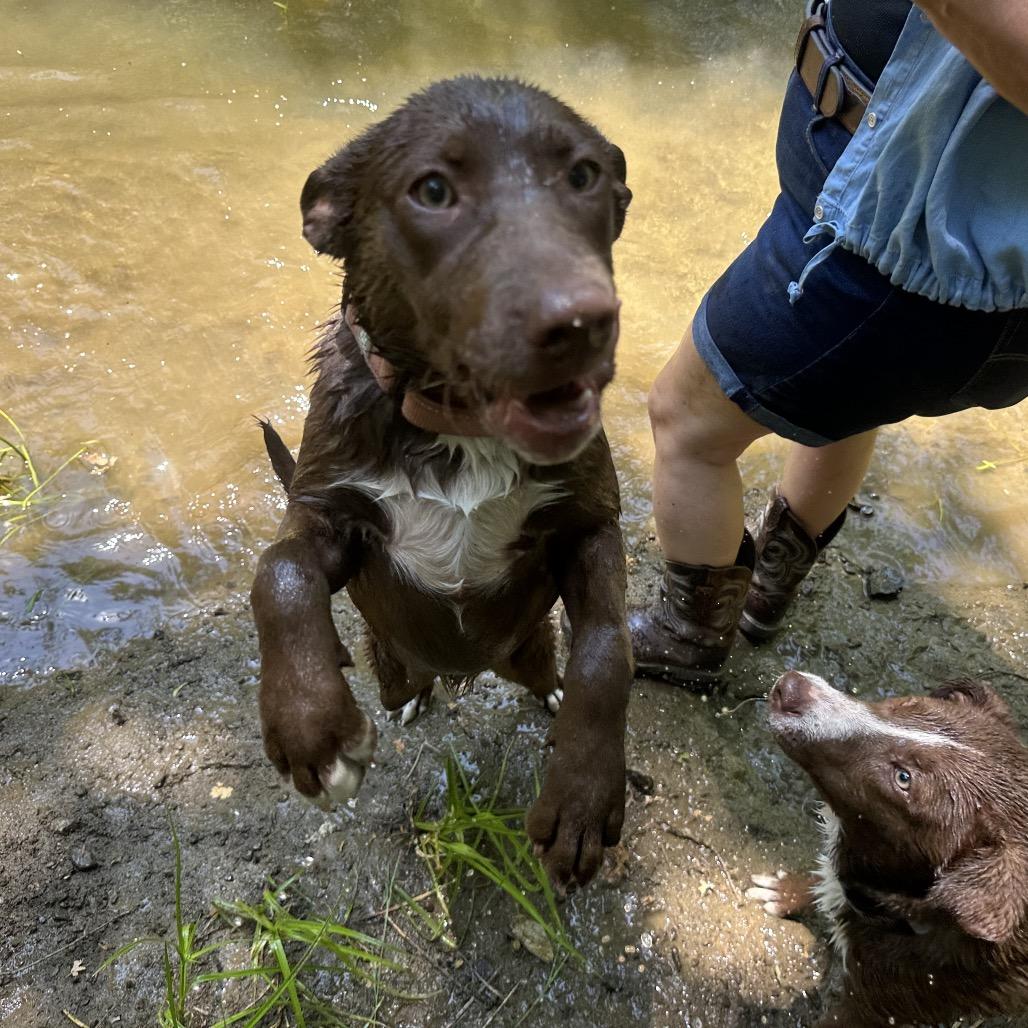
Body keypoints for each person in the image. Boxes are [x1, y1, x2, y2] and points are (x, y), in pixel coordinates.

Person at [630, 0, 1028, 687]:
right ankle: (767, 593)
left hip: (900, 248)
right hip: (921, 228)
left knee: (685, 419)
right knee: (847, 397)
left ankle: (689, 635)